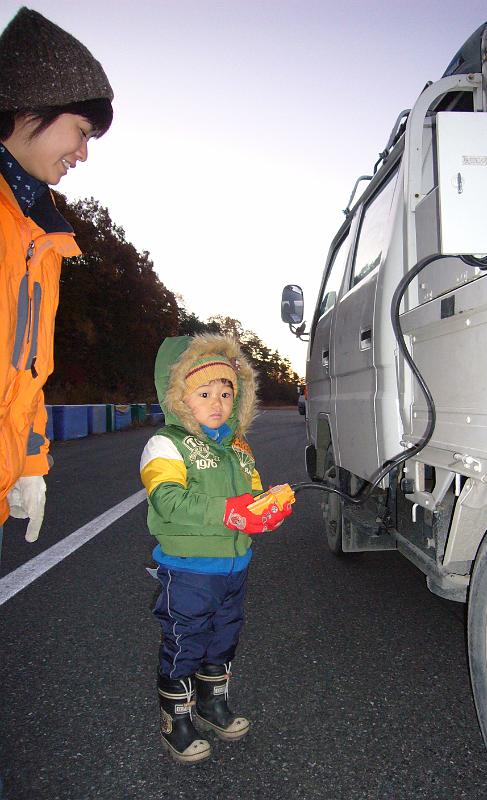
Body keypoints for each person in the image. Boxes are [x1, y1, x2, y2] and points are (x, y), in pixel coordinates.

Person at [140, 334, 293, 764]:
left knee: (224, 638)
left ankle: (212, 704)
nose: (218, 403)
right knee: (184, 641)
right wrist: (230, 512)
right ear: (180, 397)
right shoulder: (166, 443)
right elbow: (167, 499)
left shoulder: (238, 447)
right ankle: (175, 720)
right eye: (204, 393)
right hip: (188, 569)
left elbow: (253, 495)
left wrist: (267, 511)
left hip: (234, 567)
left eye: (226, 393)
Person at [0, 7, 113, 555]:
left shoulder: (42, 236)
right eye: (82, 132)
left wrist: (27, 464)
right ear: (34, 106)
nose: (83, 154)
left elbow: (26, 373)